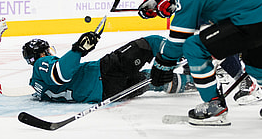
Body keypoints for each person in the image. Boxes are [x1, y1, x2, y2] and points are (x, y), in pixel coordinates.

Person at [22, 34, 194, 103]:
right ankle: (195, 57)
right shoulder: (40, 65)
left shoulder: (39, 88)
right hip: (104, 73)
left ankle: (194, 81)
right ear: (42, 54)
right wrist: (78, 50)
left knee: (151, 79)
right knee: (149, 44)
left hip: (107, 94)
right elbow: (60, 75)